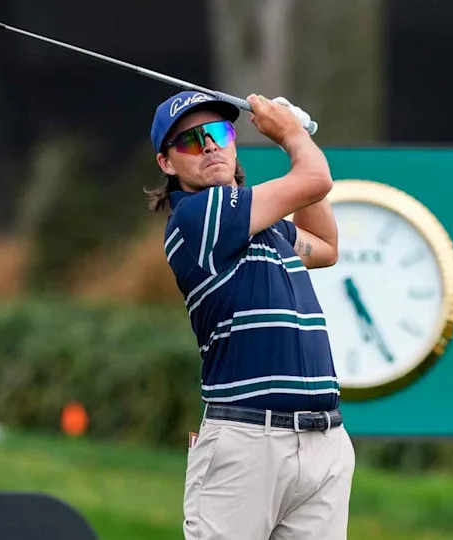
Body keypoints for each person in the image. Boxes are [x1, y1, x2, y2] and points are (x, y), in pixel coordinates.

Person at [146, 90, 355, 540]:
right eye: (189, 141)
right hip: (247, 441)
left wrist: (291, 141)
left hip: (323, 442)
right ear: (166, 164)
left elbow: (325, 246)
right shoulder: (198, 216)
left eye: (219, 132)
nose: (208, 146)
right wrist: (291, 134)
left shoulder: (268, 226)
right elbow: (315, 178)